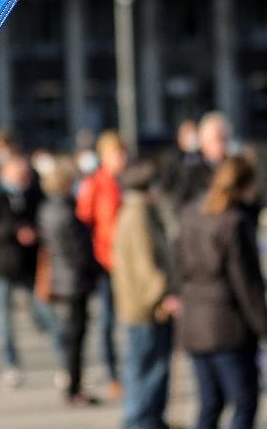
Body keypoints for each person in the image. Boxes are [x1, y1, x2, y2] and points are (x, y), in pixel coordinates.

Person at [175, 154, 267, 429]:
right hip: (227, 327)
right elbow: (248, 287)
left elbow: (177, 268)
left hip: (194, 324)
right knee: (244, 402)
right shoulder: (234, 223)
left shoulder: (191, 214)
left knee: (210, 403)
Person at [112, 159, 176, 429]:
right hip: (145, 307)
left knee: (149, 367)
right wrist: (163, 294)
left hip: (141, 304)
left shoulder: (138, 212)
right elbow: (145, 266)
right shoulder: (138, 216)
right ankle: (141, 421)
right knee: (147, 368)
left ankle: (150, 419)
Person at [38, 161, 102, 407]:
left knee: (71, 334)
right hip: (73, 279)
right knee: (76, 335)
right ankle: (74, 386)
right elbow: (77, 251)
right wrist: (92, 270)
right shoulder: (66, 211)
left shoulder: (48, 209)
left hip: (62, 277)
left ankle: (73, 383)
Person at [0, 148, 43, 390]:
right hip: (2, 266)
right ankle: (11, 365)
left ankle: (66, 363)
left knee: (44, 313)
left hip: (29, 265)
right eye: (18, 173)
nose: (23, 177)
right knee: (3, 321)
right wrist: (12, 231)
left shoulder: (34, 193)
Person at [76, 129, 125, 397]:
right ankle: (112, 373)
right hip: (104, 261)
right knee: (107, 320)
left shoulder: (126, 182)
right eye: (117, 154)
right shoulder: (94, 184)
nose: (122, 159)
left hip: (126, 262)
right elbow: (84, 221)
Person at [169, 111, 232, 212]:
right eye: (216, 139)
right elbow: (180, 205)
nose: (221, 144)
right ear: (204, 141)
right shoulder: (192, 170)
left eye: (224, 138)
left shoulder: (234, 168)